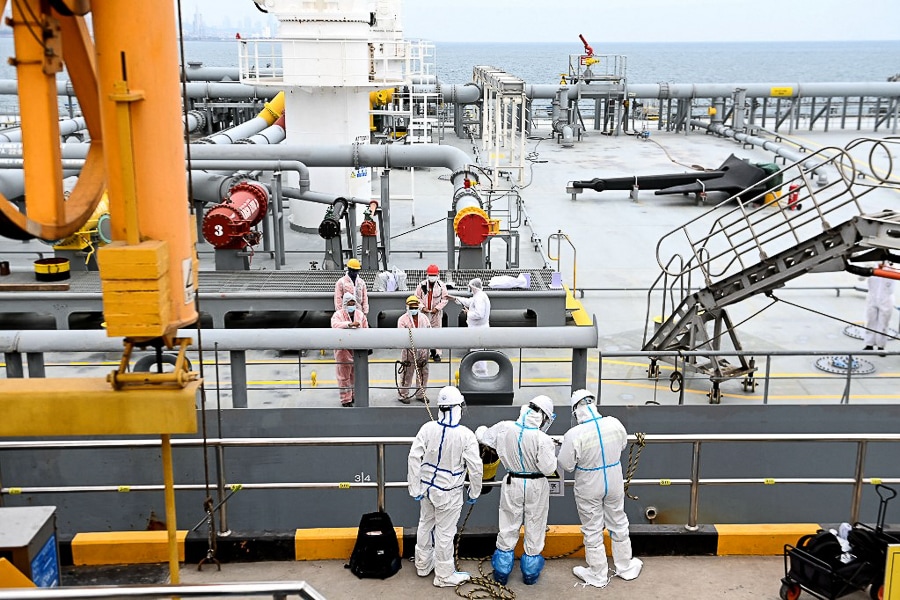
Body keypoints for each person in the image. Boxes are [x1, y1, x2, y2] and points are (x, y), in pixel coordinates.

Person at [557, 389, 643, 588]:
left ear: (575, 411)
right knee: (619, 522)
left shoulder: (574, 434)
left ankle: (597, 573)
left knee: (592, 528)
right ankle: (625, 567)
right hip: (613, 478)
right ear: (594, 404)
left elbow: (566, 464)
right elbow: (622, 445)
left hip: (588, 482)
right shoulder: (614, 423)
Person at [475, 395, 557, 586]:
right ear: (544, 417)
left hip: (512, 482)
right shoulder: (543, 439)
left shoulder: (505, 427)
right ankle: (530, 573)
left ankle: (502, 571)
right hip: (536, 485)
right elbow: (548, 468)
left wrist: (481, 431)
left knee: (508, 524)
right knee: (535, 526)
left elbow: (483, 435)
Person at [407, 386, 483, 588]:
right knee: (445, 534)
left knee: (425, 524)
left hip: (426, 490)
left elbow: (414, 457)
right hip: (449, 494)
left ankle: (423, 565)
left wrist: (415, 488)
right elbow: (475, 467)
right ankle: (443, 575)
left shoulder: (427, 428)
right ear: (458, 407)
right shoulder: (466, 436)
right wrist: (474, 491)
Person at [330, 292, 368, 407]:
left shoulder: (360, 315)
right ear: (345, 304)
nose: (352, 306)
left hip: (357, 350)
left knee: (355, 375)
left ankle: (355, 395)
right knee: (343, 376)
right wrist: (349, 325)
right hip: (342, 350)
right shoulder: (338, 315)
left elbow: (366, 329)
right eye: (349, 303)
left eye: (353, 303)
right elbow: (335, 325)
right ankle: (345, 399)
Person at [449, 278, 491, 376]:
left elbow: (479, 314)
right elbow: (469, 302)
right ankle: (480, 374)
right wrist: (455, 298)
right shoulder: (479, 296)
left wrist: (468, 313)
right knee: (478, 354)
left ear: (473, 287)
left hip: (478, 331)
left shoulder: (479, 298)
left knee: (477, 355)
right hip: (479, 329)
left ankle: (481, 376)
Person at [397, 295, 431, 404]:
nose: (414, 309)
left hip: (423, 351)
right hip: (408, 351)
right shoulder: (402, 320)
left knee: (423, 372)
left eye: (415, 307)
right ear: (407, 307)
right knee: (407, 373)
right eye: (411, 307)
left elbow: (429, 331)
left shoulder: (424, 318)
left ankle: (421, 394)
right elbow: (401, 335)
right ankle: (403, 395)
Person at [415, 264, 450, 362]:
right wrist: (423, 307)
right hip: (424, 313)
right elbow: (417, 298)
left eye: (434, 275)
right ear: (427, 275)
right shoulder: (422, 285)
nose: (432, 277)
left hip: (436, 314)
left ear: (437, 275)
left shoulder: (441, 286)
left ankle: (437, 353)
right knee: (423, 332)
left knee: (436, 333)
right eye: (430, 275)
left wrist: (437, 308)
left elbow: (445, 299)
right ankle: (423, 353)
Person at [864, 269, 895, 354]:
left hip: (886, 298)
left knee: (883, 323)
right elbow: (860, 278)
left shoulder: (892, 266)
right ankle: (869, 344)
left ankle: (881, 346)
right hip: (872, 296)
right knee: (870, 320)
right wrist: (867, 268)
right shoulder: (871, 264)